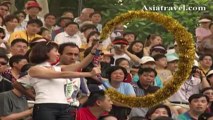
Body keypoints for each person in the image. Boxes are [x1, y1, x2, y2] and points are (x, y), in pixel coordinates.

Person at [28, 41, 100, 120]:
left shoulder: (58, 68)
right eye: (55, 51)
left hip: (65, 107)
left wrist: (93, 52)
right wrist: (89, 74)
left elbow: (81, 65)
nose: (58, 54)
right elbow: (61, 75)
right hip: (45, 106)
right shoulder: (34, 69)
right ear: (45, 52)